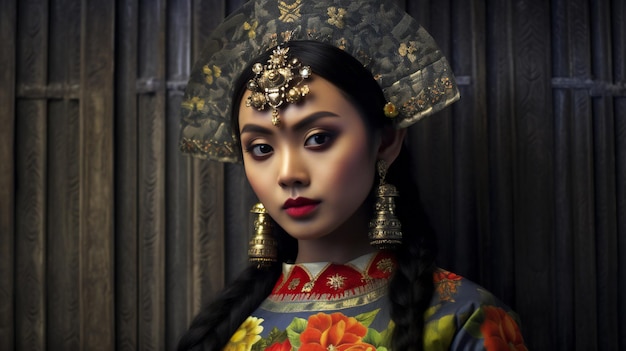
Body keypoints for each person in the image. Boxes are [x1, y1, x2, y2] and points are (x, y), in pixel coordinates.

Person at [177, 1, 528, 350]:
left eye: (318, 139)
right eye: (261, 149)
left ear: (386, 140)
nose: (288, 174)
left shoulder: (466, 319)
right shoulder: (225, 332)